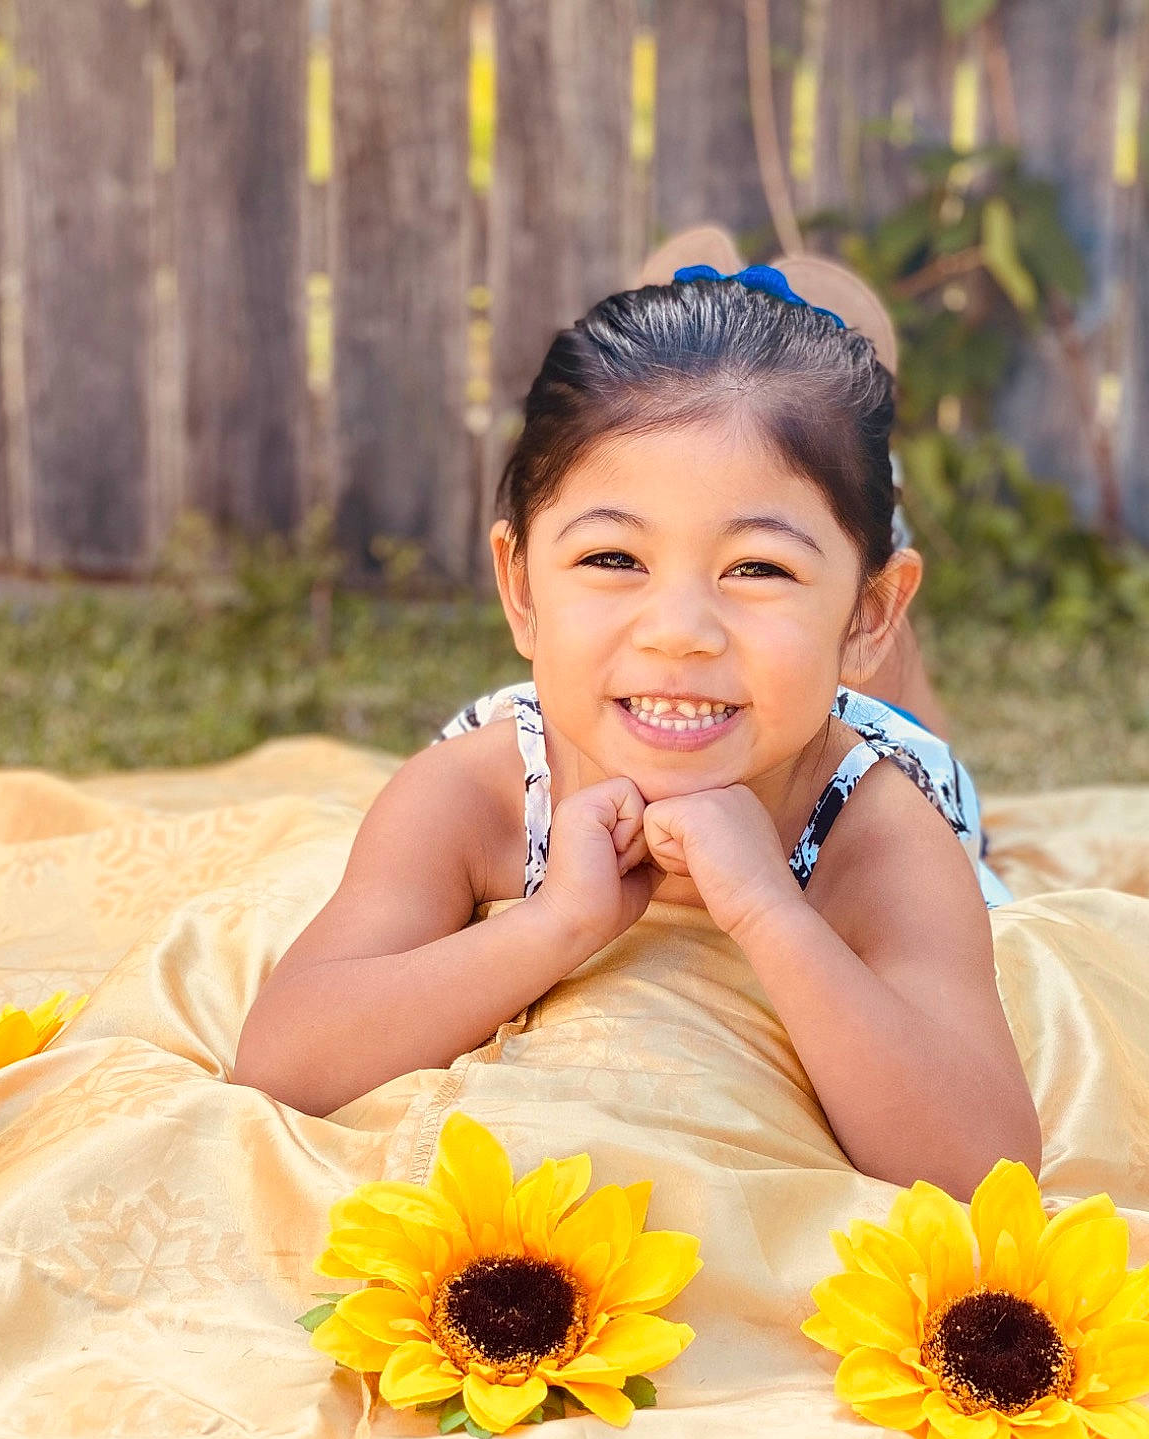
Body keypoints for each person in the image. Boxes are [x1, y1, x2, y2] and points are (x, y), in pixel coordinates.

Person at [235, 259, 1039, 1198]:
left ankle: (868, 561)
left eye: (759, 569)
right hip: (686, 712)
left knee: (966, 824)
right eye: (614, 557)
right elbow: (283, 1060)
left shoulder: (886, 831)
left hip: (848, 739)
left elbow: (983, 1165)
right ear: (522, 590)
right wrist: (558, 921)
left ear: (868, 614)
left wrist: (769, 910)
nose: (679, 632)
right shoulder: (474, 792)